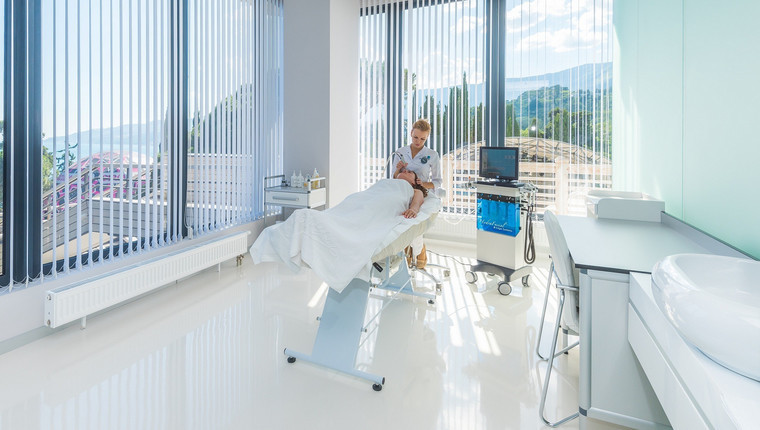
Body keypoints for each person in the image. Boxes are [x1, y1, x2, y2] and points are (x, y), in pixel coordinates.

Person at [391, 118, 442, 269]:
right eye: (415, 137)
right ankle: (407, 254)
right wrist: (398, 169)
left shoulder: (432, 155)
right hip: (400, 189)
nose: (418, 141)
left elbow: (438, 181)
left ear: (427, 137)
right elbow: (393, 177)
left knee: (412, 223)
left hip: (420, 191)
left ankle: (416, 254)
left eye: (422, 139)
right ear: (411, 133)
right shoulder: (400, 152)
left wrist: (422, 184)